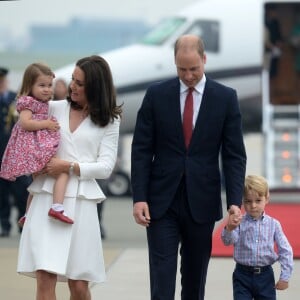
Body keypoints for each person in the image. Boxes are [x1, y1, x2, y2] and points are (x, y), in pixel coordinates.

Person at [131, 34, 247, 300]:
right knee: (162, 280)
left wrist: (234, 201)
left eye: (194, 68)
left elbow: (234, 155)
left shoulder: (225, 98)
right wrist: (139, 198)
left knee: (194, 283)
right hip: (162, 202)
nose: (189, 75)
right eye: (182, 69)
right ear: (175, 63)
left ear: (204, 60)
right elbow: (141, 150)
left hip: (202, 202)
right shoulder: (156, 95)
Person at [17, 55, 122, 300]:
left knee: (78, 284)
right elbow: (24, 132)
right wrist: (35, 162)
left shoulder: (110, 121)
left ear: (96, 87)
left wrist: (68, 166)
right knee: (45, 276)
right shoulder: (52, 108)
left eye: (80, 83)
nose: (72, 86)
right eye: (73, 80)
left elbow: (105, 167)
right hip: (46, 199)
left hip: (82, 204)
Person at [0, 63, 74, 225]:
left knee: (37, 183)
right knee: (62, 172)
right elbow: (25, 123)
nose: (47, 89)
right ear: (29, 85)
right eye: (42, 85)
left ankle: (27, 215)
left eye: (49, 85)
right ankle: (57, 207)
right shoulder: (28, 102)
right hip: (35, 148)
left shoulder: (42, 103)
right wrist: (46, 124)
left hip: (37, 146)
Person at [221, 174, 293, 300]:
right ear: (242, 201)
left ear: (267, 199)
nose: (253, 205)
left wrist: (285, 276)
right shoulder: (239, 222)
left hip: (265, 276)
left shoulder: (274, 224)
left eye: (258, 201)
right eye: (248, 201)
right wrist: (229, 229)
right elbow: (227, 241)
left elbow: (285, 250)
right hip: (242, 275)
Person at [0, 66, 29, 236]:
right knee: (1, 194)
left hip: (16, 155)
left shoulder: (15, 99)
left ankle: (21, 220)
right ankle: (5, 224)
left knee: (20, 192)